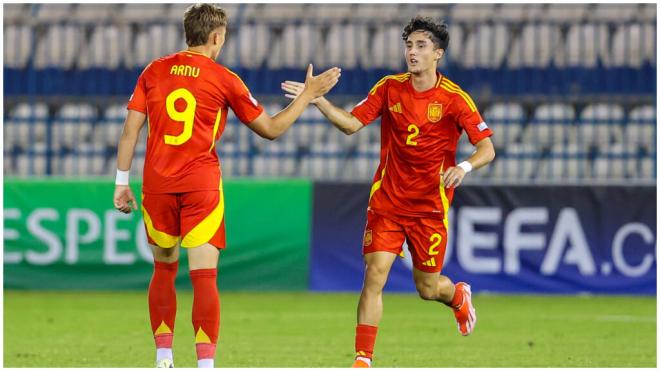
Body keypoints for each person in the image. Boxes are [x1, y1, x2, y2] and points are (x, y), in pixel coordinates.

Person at [112, 4, 340, 368]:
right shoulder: (224, 78)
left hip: (156, 184)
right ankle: (205, 364)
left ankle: (164, 358)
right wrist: (307, 96)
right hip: (201, 185)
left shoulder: (153, 71)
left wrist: (121, 183)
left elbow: (129, 132)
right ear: (217, 37)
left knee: (163, 270)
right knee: (204, 277)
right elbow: (271, 129)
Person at [282, 16, 495, 368]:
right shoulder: (389, 88)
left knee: (428, 289)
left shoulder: (455, 99)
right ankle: (363, 359)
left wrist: (464, 167)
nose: (412, 52)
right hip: (388, 201)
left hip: (429, 207)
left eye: (421, 46)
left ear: (438, 54)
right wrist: (316, 101)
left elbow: (487, 147)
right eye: (409, 45)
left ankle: (457, 295)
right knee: (374, 273)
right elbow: (352, 124)